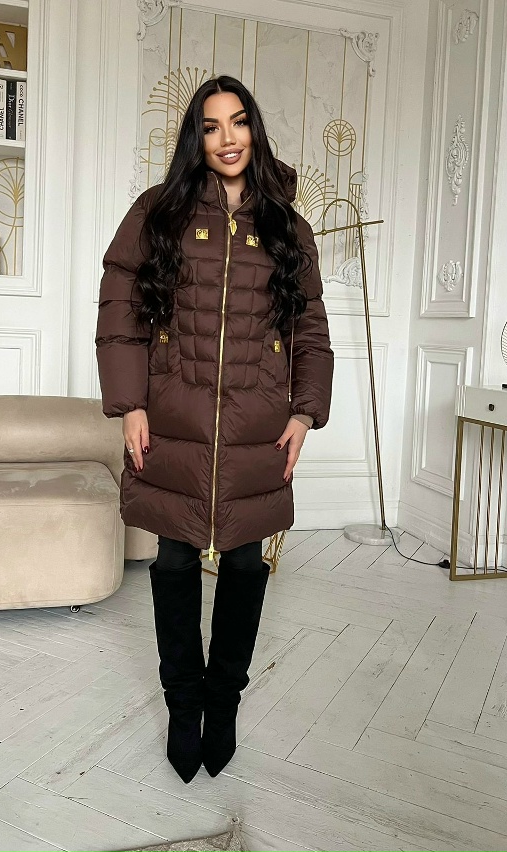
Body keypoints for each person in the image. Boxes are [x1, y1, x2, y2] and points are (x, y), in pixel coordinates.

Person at [95, 75, 334, 784]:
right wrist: (130, 405)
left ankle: (223, 703)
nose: (227, 138)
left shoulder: (287, 226)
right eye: (210, 126)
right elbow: (120, 314)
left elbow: (311, 329)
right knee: (173, 565)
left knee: (244, 566)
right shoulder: (158, 212)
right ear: (194, 138)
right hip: (173, 418)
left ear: (254, 129)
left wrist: (304, 411)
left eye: (238, 122)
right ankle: (183, 706)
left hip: (258, 427)